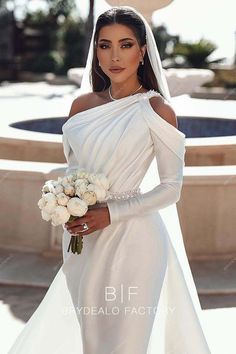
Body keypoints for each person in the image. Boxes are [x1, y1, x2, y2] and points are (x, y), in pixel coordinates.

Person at [8, 6, 211, 354]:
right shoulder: (81, 106)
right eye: (105, 45)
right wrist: (64, 204)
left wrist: (111, 213)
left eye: (126, 44)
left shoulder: (157, 110)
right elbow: (73, 170)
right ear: (95, 51)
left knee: (126, 345)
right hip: (84, 242)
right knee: (94, 343)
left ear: (143, 51)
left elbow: (170, 189)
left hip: (136, 242)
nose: (114, 56)